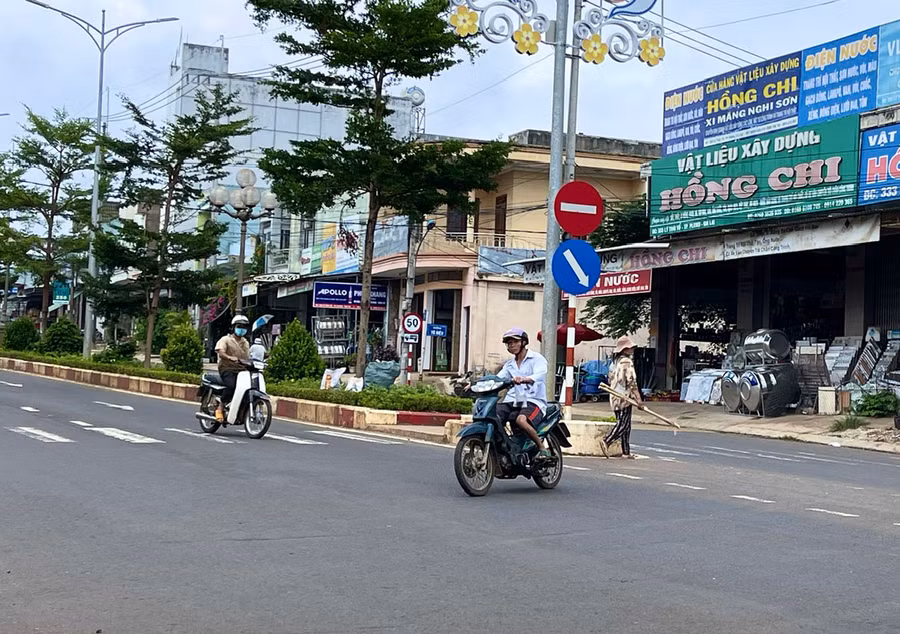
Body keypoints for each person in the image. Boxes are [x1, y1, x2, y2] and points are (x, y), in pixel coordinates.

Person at [496, 328, 552, 461]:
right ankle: (505, 446)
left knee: (521, 420)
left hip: (533, 400)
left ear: (524, 342)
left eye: (515, 341)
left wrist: (526, 378)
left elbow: (540, 374)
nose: (512, 345)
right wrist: (475, 384)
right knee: (493, 416)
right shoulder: (509, 365)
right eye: (509, 343)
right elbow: (498, 379)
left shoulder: (537, 359)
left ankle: (542, 448)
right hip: (513, 400)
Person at [604, 335, 645, 459]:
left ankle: (626, 451)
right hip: (623, 397)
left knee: (626, 425)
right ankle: (607, 441)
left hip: (615, 395)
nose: (632, 350)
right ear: (625, 349)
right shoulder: (627, 362)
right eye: (630, 348)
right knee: (623, 424)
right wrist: (638, 399)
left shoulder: (615, 363)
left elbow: (610, 378)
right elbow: (631, 381)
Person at [214, 315, 251, 422]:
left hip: (242, 370)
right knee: (231, 386)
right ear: (233, 327)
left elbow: (248, 357)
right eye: (239, 326)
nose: (242, 329)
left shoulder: (245, 342)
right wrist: (229, 357)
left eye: (244, 327)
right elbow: (221, 352)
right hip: (227, 368)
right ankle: (220, 407)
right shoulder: (226, 339)